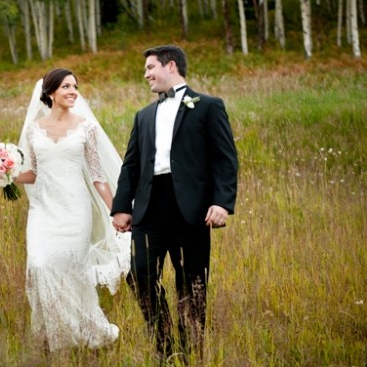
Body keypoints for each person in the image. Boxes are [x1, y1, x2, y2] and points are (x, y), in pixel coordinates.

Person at [111, 45, 238, 359]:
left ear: (170, 66)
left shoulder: (208, 106)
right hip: (149, 207)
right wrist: (122, 206)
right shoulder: (143, 116)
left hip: (191, 209)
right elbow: (131, 165)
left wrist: (222, 203)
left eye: (150, 67)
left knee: (191, 282)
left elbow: (225, 159)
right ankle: (163, 345)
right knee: (139, 273)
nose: (146, 75)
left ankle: (191, 352)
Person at [15, 68, 131, 352]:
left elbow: (97, 175)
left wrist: (115, 210)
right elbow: (34, 172)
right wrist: (5, 175)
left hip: (74, 210)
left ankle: (88, 331)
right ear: (50, 92)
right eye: (66, 86)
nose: (73, 92)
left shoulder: (85, 127)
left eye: (75, 87)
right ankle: (55, 335)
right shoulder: (34, 129)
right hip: (43, 211)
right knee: (40, 265)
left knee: (71, 269)